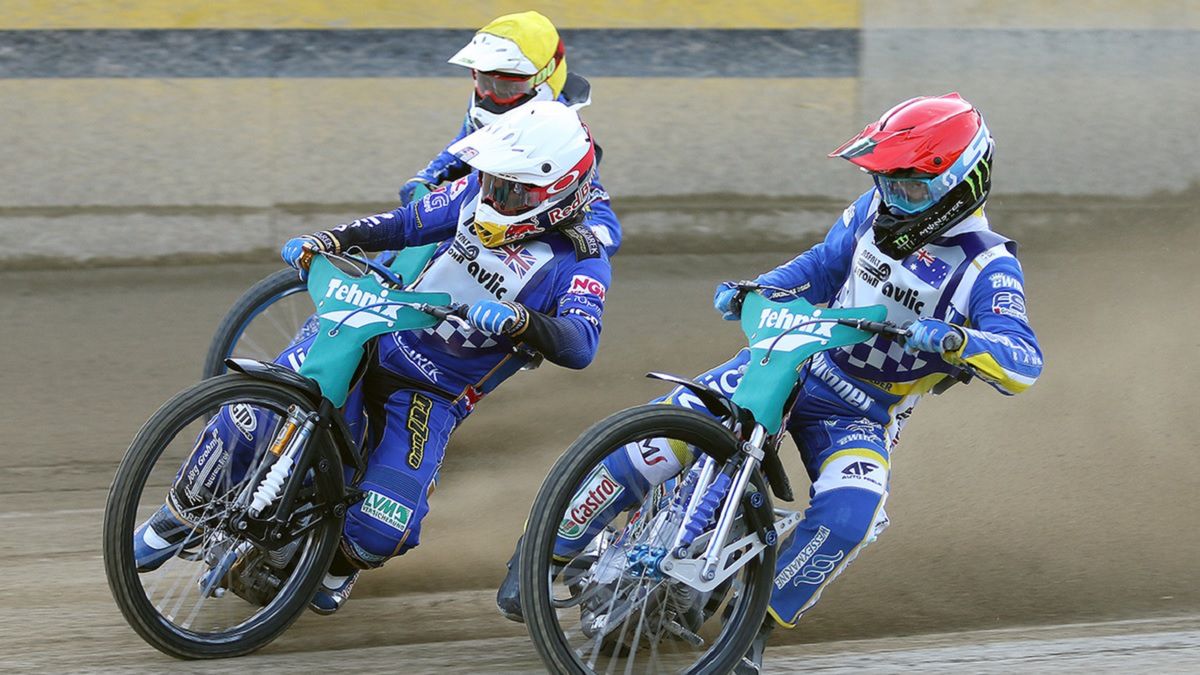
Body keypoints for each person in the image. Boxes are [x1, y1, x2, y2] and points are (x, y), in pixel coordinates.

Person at [495, 93, 1043, 672]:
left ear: (963, 184)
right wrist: (758, 287)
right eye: (887, 181)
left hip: (859, 415)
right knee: (662, 435)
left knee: (852, 515)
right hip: (793, 358)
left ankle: (749, 628)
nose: (893, 197)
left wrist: (960, 342)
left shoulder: (989, 266)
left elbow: (1023, 360)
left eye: (910, 186)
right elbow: (822, 266)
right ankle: (542, 556)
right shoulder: (869, 211)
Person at [132, 101, 613, 615]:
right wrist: (333, 238)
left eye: (510, 188)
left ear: (557, 195)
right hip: (370, 326)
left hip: (431, 392)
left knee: (384, 528)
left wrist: (522, 321)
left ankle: (334, 567)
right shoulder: (473, 193)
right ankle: (177, 516)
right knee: (255, 415)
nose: (493, 193)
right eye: (492, 179)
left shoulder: (581, 260)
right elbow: (404, 224)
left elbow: (581, 344)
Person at [397, 10, 622, 257]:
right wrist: (429, 175)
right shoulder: (482, 111)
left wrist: (578, 244)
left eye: (506, 87)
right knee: (400, 246)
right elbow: (466, 144)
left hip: (514, 252)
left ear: (544, 78)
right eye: (486, 83)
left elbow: (606, 227)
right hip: (475, 223)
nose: (492, 96)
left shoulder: (564, 139)